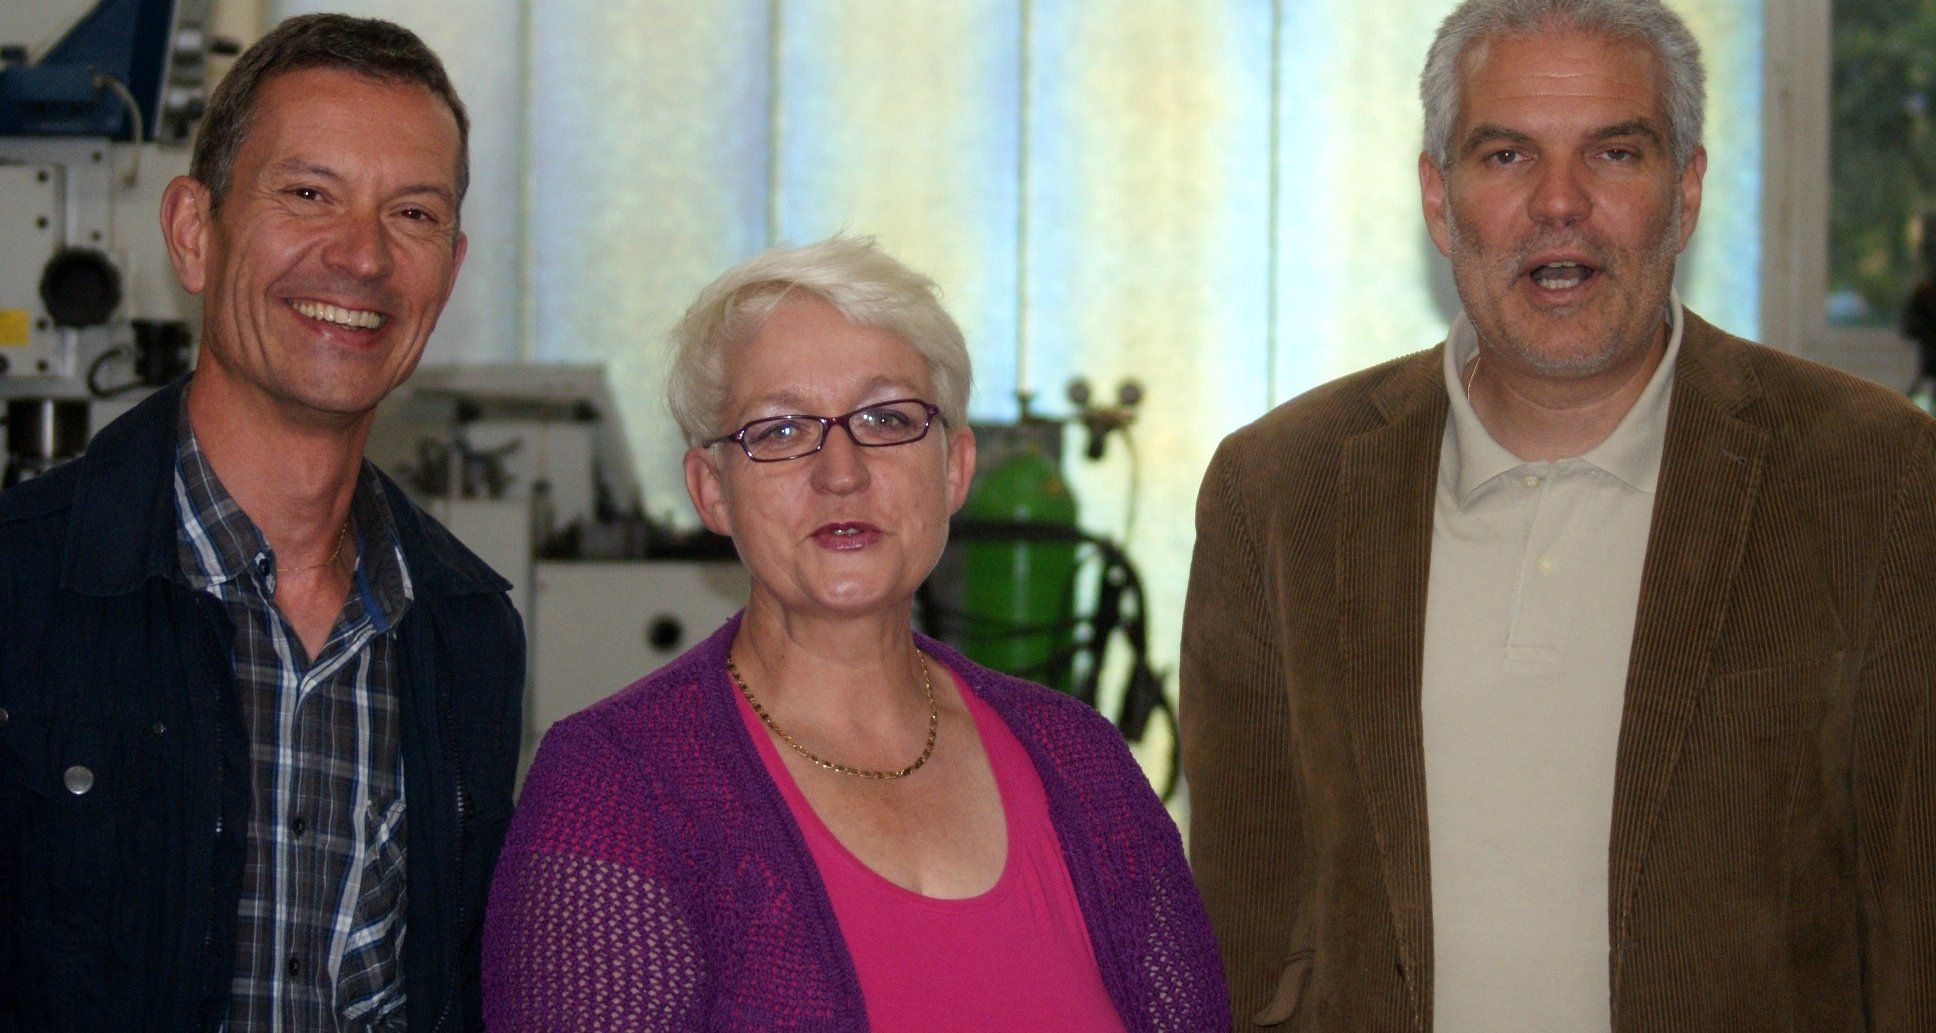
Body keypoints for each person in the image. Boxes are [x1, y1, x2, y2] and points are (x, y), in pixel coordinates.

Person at [1180, 0, 1936, 1029]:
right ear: (1439, 200)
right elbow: (1244, 929)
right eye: (1506, 156)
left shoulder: (1873, 475)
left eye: (1615, 154)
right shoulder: (1278, 490)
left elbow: (1915, 921)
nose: (1560, 203)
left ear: (1686, 191)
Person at [482, 235, 1226, 1031]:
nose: (841, 472)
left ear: (954, 467)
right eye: (779, 430)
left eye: (886, 418)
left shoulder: (1084, 763)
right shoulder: (616, 789)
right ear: (712, 490)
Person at [0, 15, 525, 1031]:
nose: (363, 256)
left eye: (412, 213)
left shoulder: (467, 632)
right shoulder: (21, 588)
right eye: (308, 194)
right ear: (194, 231)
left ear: (450, 268)